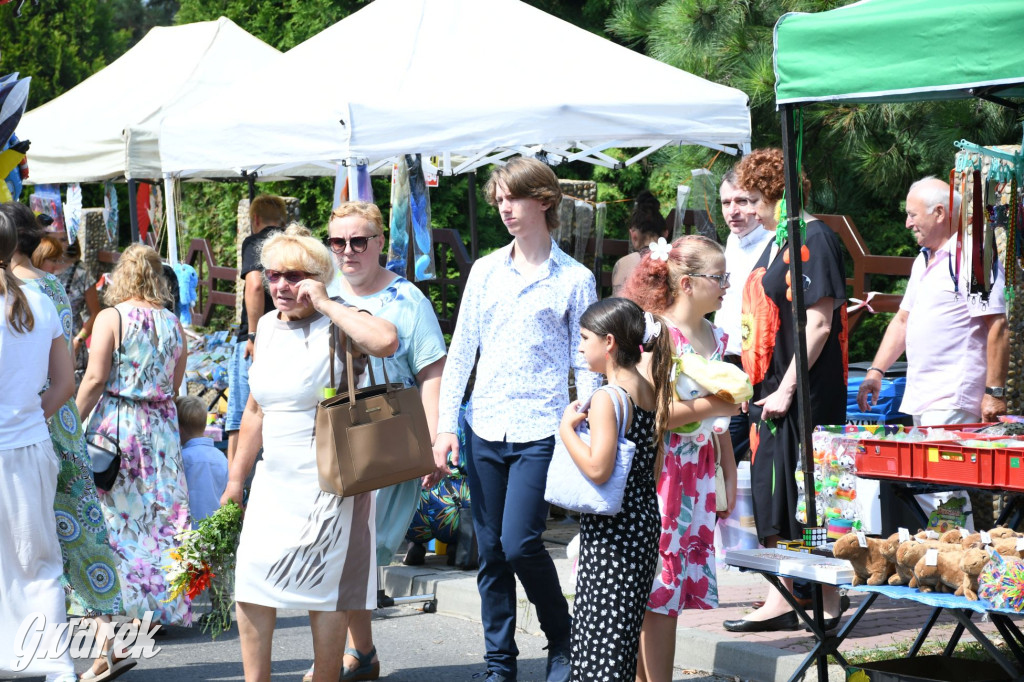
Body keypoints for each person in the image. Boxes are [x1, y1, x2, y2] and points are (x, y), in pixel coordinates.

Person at [432, 157, 602, 682]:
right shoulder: (485, 270)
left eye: (514, 198)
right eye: (499, 199)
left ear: (544, 201)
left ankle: (562, 639)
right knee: (490, 552)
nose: (505, 208)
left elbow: (586, 359)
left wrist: (587, 423)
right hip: (484, 424)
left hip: (542, 428)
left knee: (521, 543)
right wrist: (444, 426)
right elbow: (461, 350)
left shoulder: (576, 278)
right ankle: (499, 663)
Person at [221, 223, 398, 682]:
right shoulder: (264, 326)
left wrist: (324, 302)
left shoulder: (337, 318)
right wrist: (236, 480)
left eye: (295, 276)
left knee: (325, 593)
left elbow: (386, 342)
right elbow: (256, 408)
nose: (281, 285)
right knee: (252, 586)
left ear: (318, 277)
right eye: (273, 274)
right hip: (273, 478)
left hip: (330, 479)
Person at [300, 201, 447, 682]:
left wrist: (432, 439)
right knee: (341, 552)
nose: (347, 251)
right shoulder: (320, 293)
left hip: (385, 437)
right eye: (338, 242)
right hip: (331, 436)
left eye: (358, 241)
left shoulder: (408, 300)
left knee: (357, 553)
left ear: (380, 242)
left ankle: (339, 660)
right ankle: (360, 652)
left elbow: (432, 371)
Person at [721, 148, 848, 633]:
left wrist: (787, 390)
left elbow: (818, 324)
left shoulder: (811, 236)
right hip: (778, 389)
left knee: (803, 494)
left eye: (753, 197)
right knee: (791, 499)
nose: (746, 209)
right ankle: (803, 592)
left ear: (775, 194)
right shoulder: (783, 238)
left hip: (801, 394)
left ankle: (809, 596)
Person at [621, 235, 740, 682]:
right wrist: (717, 406)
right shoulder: (656, 334)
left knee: (666, 589)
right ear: (687, 283)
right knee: (660, 587)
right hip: (661, 472)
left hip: (699, 473)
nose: (726, 284)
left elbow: (719, 423)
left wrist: (725, 475)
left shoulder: (717, 335)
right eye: (719, 276)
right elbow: (652, 413)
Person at [857, 176, 1008, 526]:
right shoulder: (923, 259)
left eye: (913, 215)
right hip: (924, 393)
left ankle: (962, 558)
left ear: (939, 212)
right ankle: (954, 555)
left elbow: (997, 325)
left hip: (953, 393)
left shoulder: (971, 257)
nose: (908, 223)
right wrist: (876, 371)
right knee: (931, 484)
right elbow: (903, 321)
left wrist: (994, 393)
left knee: (941, 487)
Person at [76, 243, 191, 679]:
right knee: (160, 519)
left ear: (120, 276)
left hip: (118, 426)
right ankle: (153, 611)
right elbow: (175, 382)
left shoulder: (112, 318)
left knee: (109, 521)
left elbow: (95, 376)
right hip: (161, 430)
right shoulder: (172, 323)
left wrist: (72, 421)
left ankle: (109, 632)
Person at [4, 201, 123, 621]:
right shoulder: (50, 286)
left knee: (23, 538)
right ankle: (107, 627)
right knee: (79, 521)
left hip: (22, 419)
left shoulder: (12, 291)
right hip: (62, 414)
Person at [559, 298, 670, 681]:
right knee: (620, 641)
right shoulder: (648, 389)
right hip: (641, 522)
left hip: (613, 531)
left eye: (585, 337)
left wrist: (566, 430)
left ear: (608, 342)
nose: (579, 345)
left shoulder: (609, 398)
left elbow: (598, 468)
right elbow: (653, 466)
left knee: (598, 644)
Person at [0, 211, 79, 682]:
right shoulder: (41, 302)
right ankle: (55, 665)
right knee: (39, 562)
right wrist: (28, 419)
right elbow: (65, 383)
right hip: (29, 444)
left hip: (23, 440)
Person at [714, 169, 773, 462]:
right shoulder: (732, 240)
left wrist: (749, 375)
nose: (733, 211)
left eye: (743, 201)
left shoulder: (775, 243)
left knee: (741, 457)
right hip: (726, 364)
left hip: (758, 369)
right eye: (726, 203)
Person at [226, 194, 285, 468]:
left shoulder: (256, 242)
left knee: (240, 414)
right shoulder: (289, 244)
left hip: (256, 338)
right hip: (287, 334)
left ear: (255, 219)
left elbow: (253, 285)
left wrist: (252, 334)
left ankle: (233, 493)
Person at [39, 233, 102, 386]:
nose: (58, 243)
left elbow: (95, 313)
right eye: (53, 237)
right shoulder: (39, 269)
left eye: (63, 239)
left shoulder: (81, 271)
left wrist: (78, 340)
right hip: (44, 343)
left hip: (71, 342)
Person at [176, 395, 228, 527]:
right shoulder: (221, 457)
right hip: (214, 530)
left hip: (188, 532)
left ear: (179, 430)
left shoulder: (182, 458)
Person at [611, 190, 668, 296]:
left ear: (634, 235)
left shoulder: (623, 264)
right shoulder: (676, 262)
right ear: (665, 233)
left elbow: (618, 305)